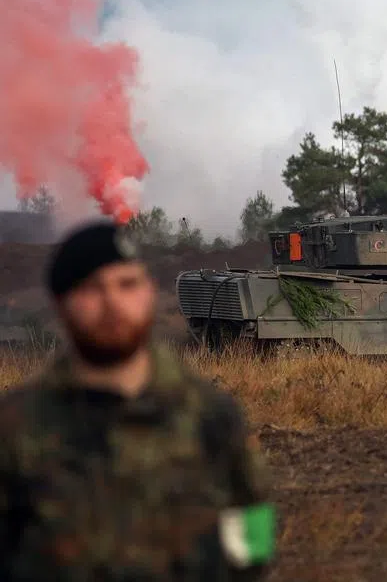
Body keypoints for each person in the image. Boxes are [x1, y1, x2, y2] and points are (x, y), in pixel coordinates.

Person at [0, 219, 275, 580]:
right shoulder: (15, 429)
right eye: (91, 288)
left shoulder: (213, 417)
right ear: (61, 304)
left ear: (147, 292)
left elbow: (253, 537)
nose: (112, 302)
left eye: (127, 284)